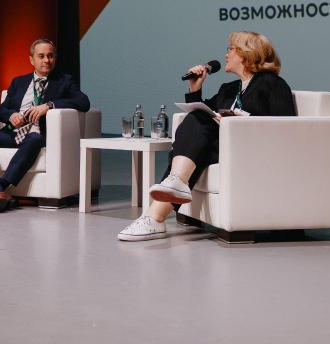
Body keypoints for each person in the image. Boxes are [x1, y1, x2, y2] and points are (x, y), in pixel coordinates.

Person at [118, 31, 296, 240]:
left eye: (231, 49)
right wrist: (195, 89)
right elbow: (204, 113)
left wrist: (240, 122)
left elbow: (285, 127)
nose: (226, 54)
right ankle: (162, 205)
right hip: (221, 147)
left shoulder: (272, 83)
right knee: (196, 120)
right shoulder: (229, 89)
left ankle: (157, 213)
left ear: (247, 53)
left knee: (197, 135)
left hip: (251, 148)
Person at [0, 38, 90, 212]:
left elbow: (83, 102)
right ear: (31, 59)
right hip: (12, 134)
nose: (47, 60)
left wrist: (49, 105)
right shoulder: (18, 82)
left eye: (50, 56)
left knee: (34, 138)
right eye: (41, 56)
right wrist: (11, 116)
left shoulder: (64, 81)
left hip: (37, 135)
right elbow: (2, 110)